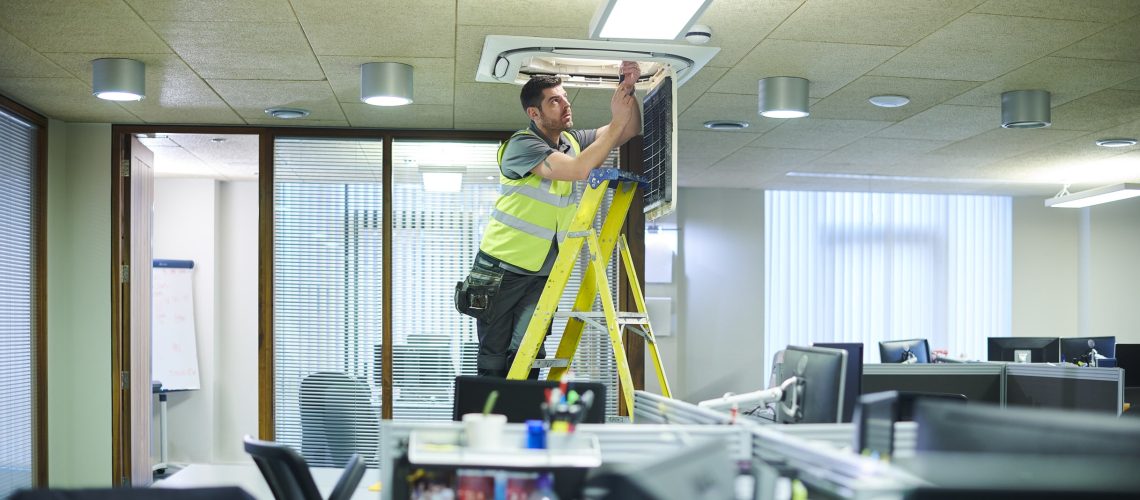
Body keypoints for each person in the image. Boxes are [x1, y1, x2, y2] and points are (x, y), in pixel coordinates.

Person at [460, 62, 643, 378]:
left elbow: (628, 130)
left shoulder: (571, 143)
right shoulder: (521, 145)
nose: (566, 103)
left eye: (565, 97)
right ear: (534, 113)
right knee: (495, 352)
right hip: (501, 266)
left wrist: (627, 90)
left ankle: (523, 419)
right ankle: (488, 420)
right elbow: (578, 170)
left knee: (529, 350)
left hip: (544, 270)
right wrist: (615, 122)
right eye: (554, 100)